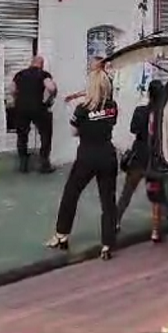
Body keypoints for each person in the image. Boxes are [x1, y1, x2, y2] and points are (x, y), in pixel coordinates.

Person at [47, 70, 119, 260]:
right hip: (107, 154)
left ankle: (62, 235)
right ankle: (107, 244)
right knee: (108, 200)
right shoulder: (112, 106)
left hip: (87, 155)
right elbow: (110, 124)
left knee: (71, 193)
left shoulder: (82, 109)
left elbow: (74, 132)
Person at [117, 80, 164, 243]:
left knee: (127, 191)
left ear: (149, 94)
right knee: (156, 196)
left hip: (139, 156)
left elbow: (133, 129)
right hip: (155, 159)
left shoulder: (140, 111)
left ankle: (115, 221)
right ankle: (155, 231)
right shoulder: (164, 114)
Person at [11, 56, 58, 174]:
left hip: (21, 108)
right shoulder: (43, 74)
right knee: (45, 134)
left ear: (31, 63)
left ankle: (23, 165)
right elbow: (51, 88)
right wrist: (49, 99)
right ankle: (44, 164)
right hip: (38, 107)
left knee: (22, 135)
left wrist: (17, 99)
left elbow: (12, 90)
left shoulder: (19, 74)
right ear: (41, 64)